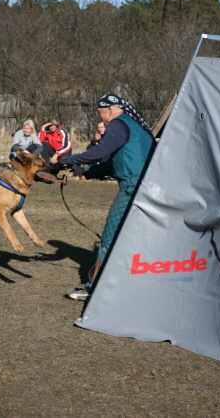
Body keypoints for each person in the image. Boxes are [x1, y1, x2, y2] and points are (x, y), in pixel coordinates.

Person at [65, 93, 156, 301]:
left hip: (132, 188)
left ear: (110, 110)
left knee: (110, 237)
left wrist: (71, 159)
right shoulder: (133, 126)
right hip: (146, 186)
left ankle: (95, 288)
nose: (101, 117)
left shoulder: (118, 124)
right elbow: (111, 163)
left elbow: (101, 151)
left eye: (100, 113)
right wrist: (85, 171)